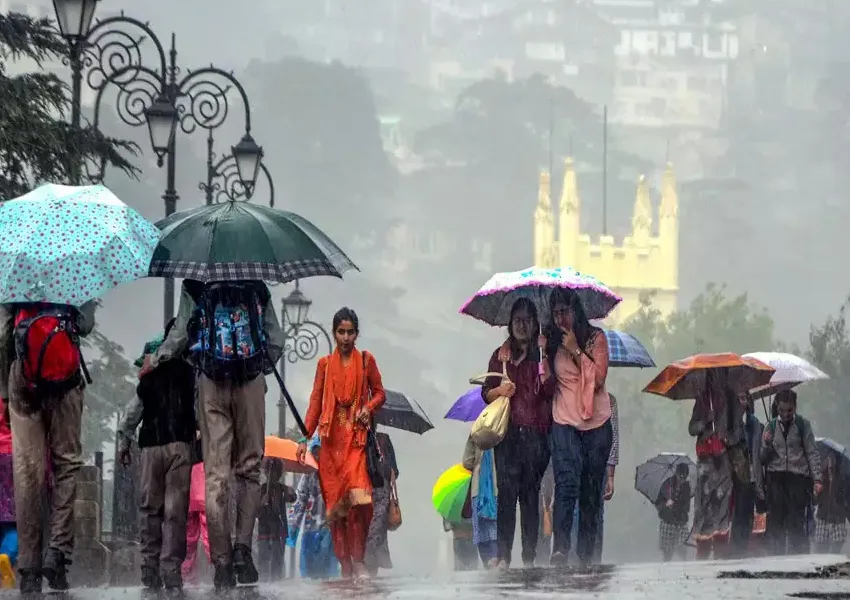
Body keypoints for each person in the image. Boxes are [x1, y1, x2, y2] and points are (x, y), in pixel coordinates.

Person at [148, 279, 283, 589]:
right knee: (249, 470)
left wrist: (157, 360)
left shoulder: (195, 283)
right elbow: (276, 339)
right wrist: (258, 369)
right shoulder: (256, 284)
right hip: (250, 382)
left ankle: (221, 561)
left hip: (211, 384)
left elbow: (180, 334)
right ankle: (242, 551)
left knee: (216, 475)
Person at [0, 300, 96, 593]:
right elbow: (85, 326)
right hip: (64, 377)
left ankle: (28, 567)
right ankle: (57, 552)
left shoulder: (17, 273)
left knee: (28, 470)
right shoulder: (77, 270)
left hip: (23, 377)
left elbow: (3, 335)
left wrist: (7, 385)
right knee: (66, 465)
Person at [295, 307, 386, 580]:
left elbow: (380, 393)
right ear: (334, 333)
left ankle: (358, 561)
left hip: (356, 442)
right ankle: (346, 564)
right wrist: (304, 437)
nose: (345, 337)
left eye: (350, 332)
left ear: (357, 333)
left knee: (361, 502)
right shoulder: (324, 365)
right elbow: (315, 401)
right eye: (340, 332)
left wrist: (368, 407)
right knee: (337, 511)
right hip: (331, 445)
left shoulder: (367, 361)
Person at [117, 324, 196, 593]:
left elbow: (132, 413)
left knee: (150, 508)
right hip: (179, 447)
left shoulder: (150, 373)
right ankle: (171, 570)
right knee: (175, 512)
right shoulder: (190, 374)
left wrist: (124, 442)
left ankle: (149, 568)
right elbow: (200, 414)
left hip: (150, 447)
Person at [482, 298, 554, 569]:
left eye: (527, 320)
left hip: (537, 435)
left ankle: (529, 556)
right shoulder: (500, 357)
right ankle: (503, 555)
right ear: (510, 325)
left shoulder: (542, 354)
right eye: (517, 321)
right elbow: (486, 393)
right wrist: (501, 391)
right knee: (507, 494)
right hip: (508, 435)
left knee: (529, 494)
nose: (522, 325)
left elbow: (549, 391)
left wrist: (544, 358)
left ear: (535, 323)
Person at [545, 288, 613, 567]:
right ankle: (560, 548)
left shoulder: (597, 339)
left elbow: (597, 378)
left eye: (565, 311)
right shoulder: (549, 344)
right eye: (556, 312)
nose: (561, 317)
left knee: (589, 490)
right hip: (564, 421)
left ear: (577, 311)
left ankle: (585, 554)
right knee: (566, 483)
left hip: (596, 424)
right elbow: (546, 384)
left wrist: (575, 349)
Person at [688, 370, 742, 560]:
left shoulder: (731, 399)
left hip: (723, 462)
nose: (712, 380)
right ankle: (701, 555)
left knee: (722, 507)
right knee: (702, 509)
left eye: (716, 376)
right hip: (705, 463)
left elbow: (738, 432)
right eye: (709, 377)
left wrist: (726, 438)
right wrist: (705, 422)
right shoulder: (702, 400)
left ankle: (720, 556)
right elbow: (691, 428)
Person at [760, 389, 821, 555]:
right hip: (776, 478)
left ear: (795, 407)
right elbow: (762, 458)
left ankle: (799, 557)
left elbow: (812, 453)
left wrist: (817, 480)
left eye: (789, 410)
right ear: (776, 408)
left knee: (796, 520)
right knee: (776, 521)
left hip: (797, 478)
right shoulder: (770, 426)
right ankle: (775, 557)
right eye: (781, 410)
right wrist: (766, 443)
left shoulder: (803, 425)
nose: (785, 414)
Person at [570, 393, 619, 564]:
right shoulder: (572, 397)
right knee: (584, 509)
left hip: (595, 463)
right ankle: (583, 555)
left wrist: (611, 475)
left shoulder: (609, 401)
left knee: (592, 509)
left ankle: (590, 556)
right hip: (582, 463)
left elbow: (613, 439)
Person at [288, 435, 338, 579]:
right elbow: (300, 500)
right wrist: (293, 528)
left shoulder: (336, 473)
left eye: (321, 451)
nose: (318, 455)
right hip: (311, 527)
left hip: (331, 527)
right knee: (310, 568)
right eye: (315, 451)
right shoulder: (309, 474)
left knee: (329, 565)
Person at [730, 393, 765, 558]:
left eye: (745, 398)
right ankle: (736, 547)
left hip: (754, 474)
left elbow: (760, 451)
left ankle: (743, 546)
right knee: (739, 510)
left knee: (749, 511)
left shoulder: (756, 424)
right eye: (740, 398)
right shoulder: (732, 424)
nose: (743, 402)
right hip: (738, 473)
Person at [365, 428, 399, 576]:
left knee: (370, 534)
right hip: (376, 495)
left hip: (372, 495)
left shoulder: (380, 440)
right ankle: (369, 572)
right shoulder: (383, 439)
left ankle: (366, 572)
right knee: (375, 533)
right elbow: (395, 471)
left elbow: (394, 471)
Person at [462, 435, 499, 567]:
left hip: (478, 489)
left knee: (480, 530)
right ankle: (495, 558)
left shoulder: (476, 432)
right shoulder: (502, 429)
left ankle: (487, 563)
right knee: (495, 527)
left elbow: (466, 461)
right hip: (497, 486)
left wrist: (478, 461)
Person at [257, 458, 296, 582]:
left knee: (277, 557)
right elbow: (255, 512)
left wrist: (291, 493)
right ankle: (263, 579)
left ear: (279, 474)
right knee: (263, 556)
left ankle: (277, 580)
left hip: (279, 529)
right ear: (265, 472)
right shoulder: (261, 489)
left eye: (275, 472)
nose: (271, 475)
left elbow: (292, 498)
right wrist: (262, 502)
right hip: (264, 528)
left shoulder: (282, 488)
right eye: (269, 471)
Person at [812, 449, 848, 554]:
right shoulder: (820, 477)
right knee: (821, 549)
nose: (830, 462)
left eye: (832, 459)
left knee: (836, 551)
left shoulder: (843, 478)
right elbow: (814, 501)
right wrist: (816, 492)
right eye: (828, 458)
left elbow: (846, 499)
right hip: (823, 516)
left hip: (837, 518)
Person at [655, 463, 692, 562]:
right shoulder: (667, 484)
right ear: (676, 474)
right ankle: (665, 569)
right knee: (667, 552)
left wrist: (676, 503)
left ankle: (684, 570)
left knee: (683, 549)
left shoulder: (686, 487)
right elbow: (658, 502)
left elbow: (687, 507)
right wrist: (666, 504)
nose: (682, 479)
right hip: (667, 521)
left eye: (684, 477)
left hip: (680, 522)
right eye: (680, 476)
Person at [182, 461, 210, 584]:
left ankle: (187, 574)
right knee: (210, 533)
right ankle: (219, 570)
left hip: (187, 479)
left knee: (189, 536)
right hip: (203, 476)